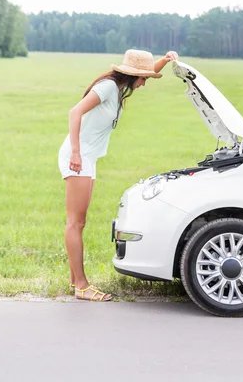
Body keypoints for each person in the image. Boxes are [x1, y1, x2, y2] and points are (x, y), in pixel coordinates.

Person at [58, 49, 179, 302]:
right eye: (143, 78)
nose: (145, 82)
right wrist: (77, 154)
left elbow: (149, 71)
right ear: (133, 75)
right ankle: (81, 286)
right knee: (75, 222)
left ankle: (74, 282)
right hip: (77, 157)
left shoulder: (121, 87)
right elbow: (74, 112)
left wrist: (165, 61)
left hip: (87, 157)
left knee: (80, 222)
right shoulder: (108, 88)